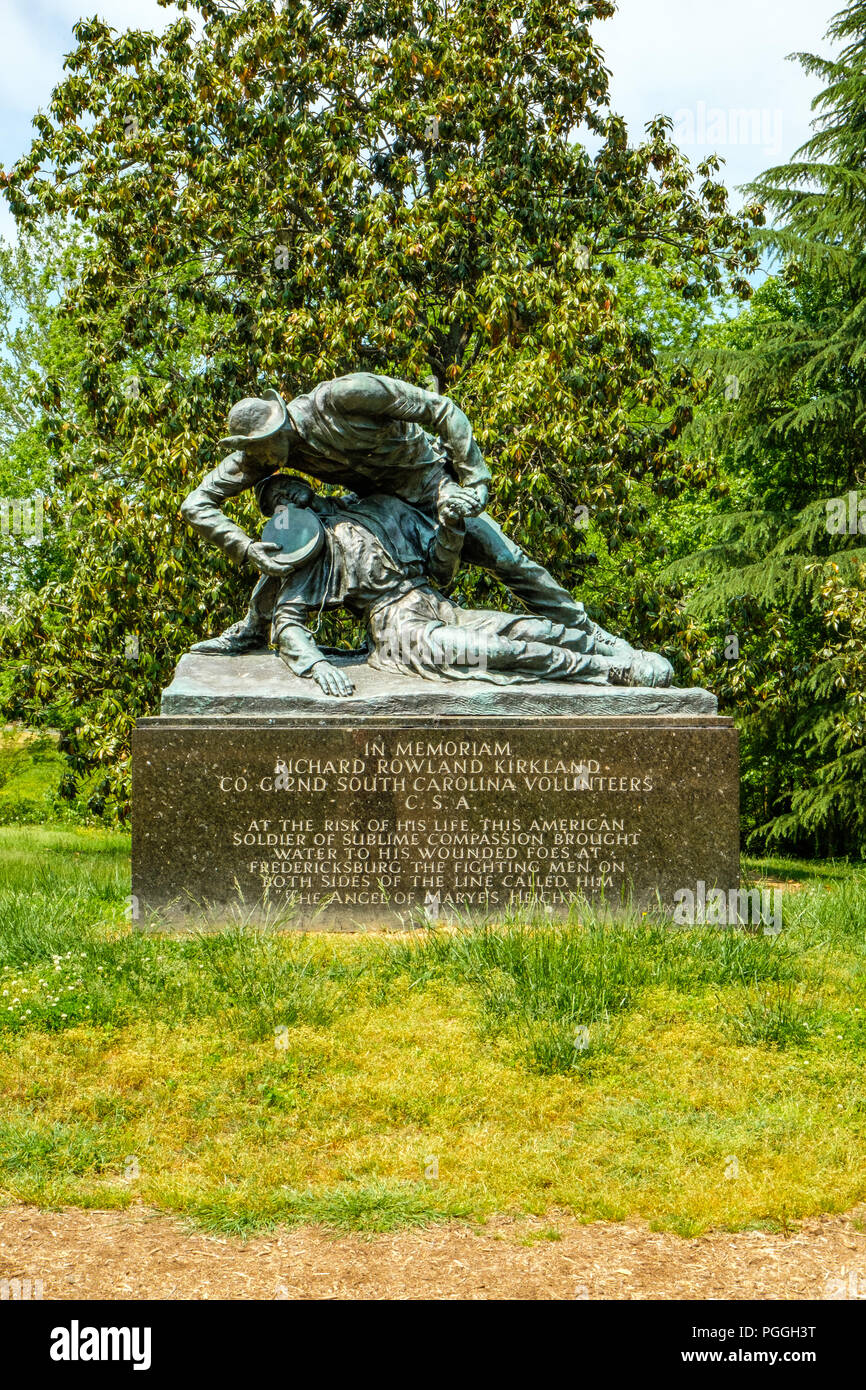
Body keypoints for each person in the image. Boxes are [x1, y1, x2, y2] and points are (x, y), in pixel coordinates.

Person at [180, 374, 641, 664]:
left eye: (259, 448)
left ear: (278, 427)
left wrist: (473, 481)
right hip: (383, 511)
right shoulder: (266, 453)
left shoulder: (346, 396)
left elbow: (442, 410)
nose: (256, 461)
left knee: (508, 558)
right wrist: (245, 546)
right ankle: (253, 629)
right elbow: (196, 505)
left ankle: (587, 631)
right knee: (295, 537)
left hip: (431, 487)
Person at [241, 473, 672, 696]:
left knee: (532, 628)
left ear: (305, 484)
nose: (286, 499)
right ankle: (610, 672)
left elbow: (440, 569)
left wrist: (450, 527)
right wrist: (317, 666)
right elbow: (288, 621)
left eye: (287, 488)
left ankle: (619, 651)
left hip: (436, 602)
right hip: (399, 630)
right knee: (499, 653)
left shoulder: (382, 507)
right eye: (275, 502)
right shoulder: (311, 552)